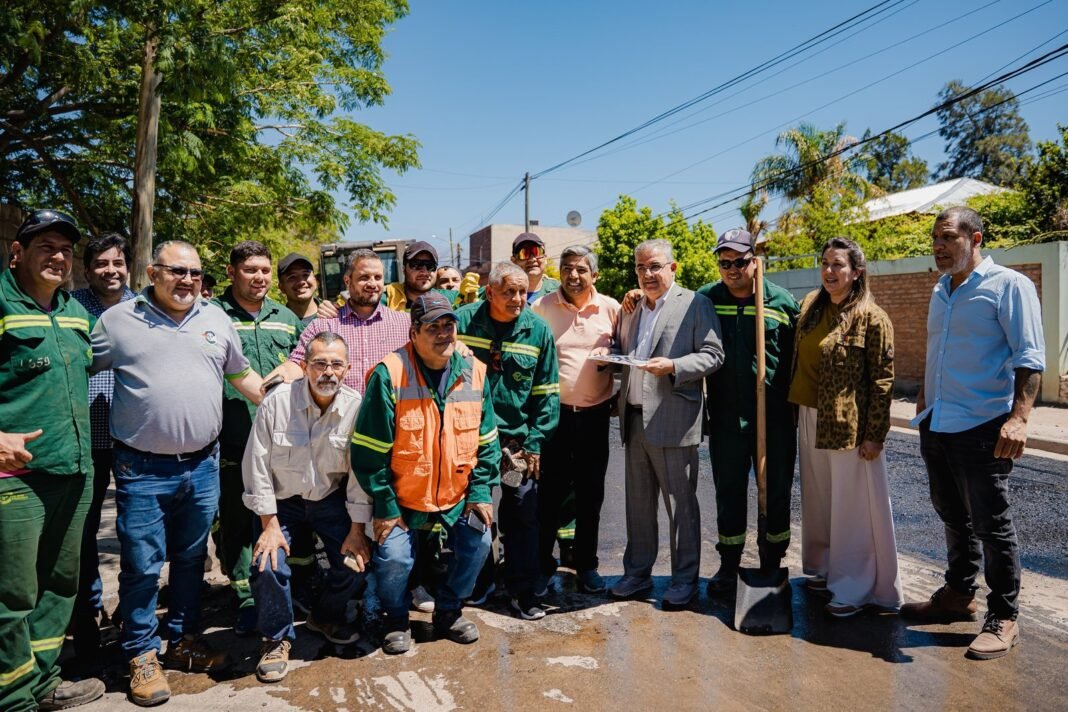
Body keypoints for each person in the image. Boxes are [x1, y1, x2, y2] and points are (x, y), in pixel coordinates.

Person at [91, 240, 264, 706]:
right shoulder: (118, 322)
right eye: (176, 271)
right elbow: (78, 369)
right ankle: (141, 654)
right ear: (152, 273)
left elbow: (241, 375)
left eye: (194, 273)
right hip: (142, 468)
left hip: (203, 464)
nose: (187, 280)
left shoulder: (215, 319)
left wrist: (285, 407)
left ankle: (184, 640)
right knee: (143, 566)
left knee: (191, 561)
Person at [900, 206, 1044, 660]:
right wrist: (924, 399)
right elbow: (936, 350)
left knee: (992, 525)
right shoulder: (941, 290)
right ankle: (959, 595)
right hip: (938, 423)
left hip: (983, 425)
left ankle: (1004, 615)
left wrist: (1019, 418)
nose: (939, 248)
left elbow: (1029, 357)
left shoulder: (1009, 286)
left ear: (975, 238)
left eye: (947, 238)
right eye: (935, 240)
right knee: (950, 515)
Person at [352, 292, 501, 654]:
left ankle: (448, 612)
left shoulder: (474, 372)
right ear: (414, 332)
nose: (442, 334)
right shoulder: (390, 374)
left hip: (456, 497)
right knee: (396, 557)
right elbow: (367, 453)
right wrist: (386, 506)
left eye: (448, 325)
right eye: (432, 327)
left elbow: (488, 443)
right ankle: (396, 618)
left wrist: (480, 493)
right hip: (402, 499)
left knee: (479, 541)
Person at [0, 209, 105, 711]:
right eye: (45, 246)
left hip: (74, 472)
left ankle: (42, 682)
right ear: (17, 253)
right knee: (11, 597)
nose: (58, 256)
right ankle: (13, 699)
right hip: (14, 478)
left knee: (59, 587)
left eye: (65, 249)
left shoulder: (74, 313)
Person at [243, 332, 372, 682]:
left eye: (336, 364)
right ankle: (276, 638)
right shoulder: (277, 403)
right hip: (282, 503)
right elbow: (256, 464)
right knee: (268, 564)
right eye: (319, 364)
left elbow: (359, 475)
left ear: (347, 369)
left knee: (355, 560)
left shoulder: (355, 406)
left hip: (329, 499)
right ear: (304, 367)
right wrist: (268, 524)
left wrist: (358, 529)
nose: (328, 372)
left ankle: (324, 616)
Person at [786, 237, 901, 618]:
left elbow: (883, 382)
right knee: (819, 501)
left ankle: (854, 587)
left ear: (856, 272)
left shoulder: (873, 317)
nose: (829, 272)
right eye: (825, 264)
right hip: (808, 414)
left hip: (848, 424)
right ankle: (822, 568)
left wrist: (875, 435)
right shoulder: (810, 308)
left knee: (851, 509)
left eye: (838, 265)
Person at [608, 239, 724, 609]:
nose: (647, 274)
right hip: (635, 418)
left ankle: (684, 580)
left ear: (673, 268)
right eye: (641, 268)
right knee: (638, 506)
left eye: (655, 266)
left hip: (674, 420)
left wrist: (674, 366)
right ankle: (637, 574)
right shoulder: (633, 307)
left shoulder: (695, 303)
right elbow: (623, 349)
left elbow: (713, 354)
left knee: (680, 508)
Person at [697, 229, 799, 594]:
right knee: (729, 491)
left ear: (754, 262)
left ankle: (772, 561)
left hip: (774, 419)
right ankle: (729, 563)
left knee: (775, 491)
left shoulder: (782, 303)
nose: (732, 269)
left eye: (740, 261)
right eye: (725, 263)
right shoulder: (706, 300)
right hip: (726, 417)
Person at [455, 262, 560, 619]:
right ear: (489, 293)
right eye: (508, 292)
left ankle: (522, 590)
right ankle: (479, 581)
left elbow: (547, 392)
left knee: (520, 510)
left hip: (515, 447)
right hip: (468, 441)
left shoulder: (537, 330)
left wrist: (534, 441)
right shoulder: (462, 323)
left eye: (521, 291)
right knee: (473, 510)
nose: (518, 299)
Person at [214, 241, 305, 635]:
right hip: (232, 436)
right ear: (232, 272)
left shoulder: (285, 318)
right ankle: (246, 598)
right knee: (235, 522)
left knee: (280, 519)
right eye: (250, 269)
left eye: (265, 270)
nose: (260, 277)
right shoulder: (212, 316)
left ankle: (283, 589)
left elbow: (302, 362)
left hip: (282, 442)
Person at [531, 246, 620, 594]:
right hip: (554, 417)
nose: (573, 276)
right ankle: (541, 565)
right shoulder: (542, 307)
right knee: (548, 495)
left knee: (590, 496)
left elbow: (626, 352)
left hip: (596, 417)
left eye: (581, 269)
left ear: (594, 275)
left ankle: (586, 566)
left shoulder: (612, 309)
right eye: (567, 269)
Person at [69, 232, 137, 665]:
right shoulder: (71, 308)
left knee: (136, 532)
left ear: (128, 265)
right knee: (84, 533)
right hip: (87, 439)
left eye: (117, 262)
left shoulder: (145, 308)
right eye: (101, 264)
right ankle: (87, 612)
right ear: (88, 268)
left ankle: (131, 611)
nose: (110, 270)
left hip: (134, 439)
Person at [264, 249, 409, 394]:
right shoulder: (323, 325)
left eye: (378, 277)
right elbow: (297, 362)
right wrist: (282, 373)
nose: (372, 284)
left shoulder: (404, 324)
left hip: (389, 415)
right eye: (364, 277)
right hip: (339, 415)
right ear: (347, 281)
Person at [277, 252, 326, 325]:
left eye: (305, 275)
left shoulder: (333, 315)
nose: (301, 281)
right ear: (281, 287)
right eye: (292, 277)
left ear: (315, 281)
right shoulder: (277, 323)